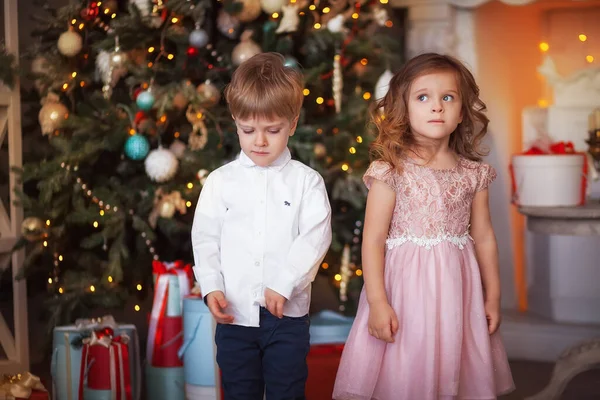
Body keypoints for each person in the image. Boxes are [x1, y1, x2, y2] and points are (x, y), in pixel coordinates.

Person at [333, 53, 515, 400]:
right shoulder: (391, 171)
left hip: (458, 291)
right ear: (404, 108)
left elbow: (485, 238)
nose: (437, 107)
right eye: (423, 97)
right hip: (405, 293)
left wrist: (493, 297)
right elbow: (372, 240)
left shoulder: (472, 174)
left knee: (454, 364)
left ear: (462, 111)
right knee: (407, 365)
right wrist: (377, 302)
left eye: (448, 97)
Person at [191, 52, 332, 400]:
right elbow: (205, 238)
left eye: (273, 130)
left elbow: (315, 238)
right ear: (236, 123)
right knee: (240, 391)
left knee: (287, 391)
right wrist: (211, 286)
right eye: (248, 130)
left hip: (288, 319)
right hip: (234, 317)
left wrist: (285, 283)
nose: (260, 141)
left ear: (293, 124)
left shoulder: (306, 183)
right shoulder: (220, 182)